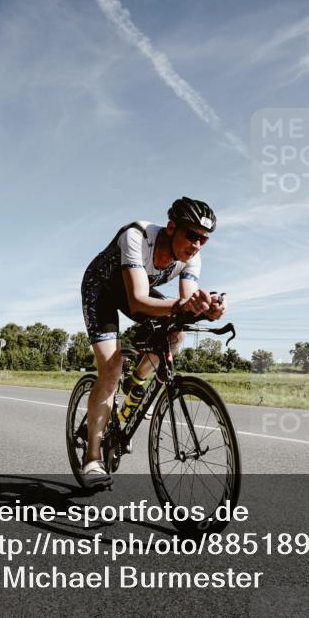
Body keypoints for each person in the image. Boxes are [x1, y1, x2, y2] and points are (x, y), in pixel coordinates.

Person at [79, 197, 226, 484]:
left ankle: (136, 380)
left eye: (204, 239)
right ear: (171, 227)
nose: (196, 244)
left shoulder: (191, 257)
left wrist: (208, 309)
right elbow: (137, 302)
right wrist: (183, 305)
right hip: (103, 292)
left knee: (176, 333)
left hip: (137, 291)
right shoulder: (137, 236)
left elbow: (186, 302)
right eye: (192, 235)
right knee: (111, 366)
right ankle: (92, 460)